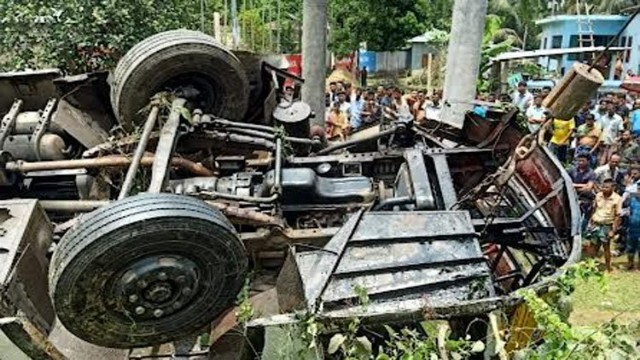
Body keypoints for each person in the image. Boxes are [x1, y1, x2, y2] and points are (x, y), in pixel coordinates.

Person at [586, 178, 621, 272]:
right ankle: (590, 266)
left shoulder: (617, 199)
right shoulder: (598, 195)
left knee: (606, 247)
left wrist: (613, 230)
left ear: (613, 188)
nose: (604, 189)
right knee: (592, 245)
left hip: (607, 225)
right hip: (596, 223)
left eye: (607, 187)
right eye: (603, 187)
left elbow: (618, 216)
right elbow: (594, 209)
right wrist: (590, 221)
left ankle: (608, 267)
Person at [570, 153, 597, 234]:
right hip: (572, 197)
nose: (580, 163)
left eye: (583, 161)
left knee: (583, 219)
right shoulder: (572, 170)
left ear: (588, 161)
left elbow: (588, 188)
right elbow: (567, 183)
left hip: (585, 199)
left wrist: (574, 185)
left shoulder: (591, 173)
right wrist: (582, 185)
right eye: (579, 161)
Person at [622, 165, 640, 269]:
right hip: (632, 228)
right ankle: (630, 264)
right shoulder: (631, 200)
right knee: (630, 247)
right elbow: (624, 212)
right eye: (638, 190)